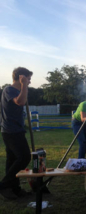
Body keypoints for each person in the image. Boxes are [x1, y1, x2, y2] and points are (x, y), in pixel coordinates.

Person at [0, 67, 33, 199]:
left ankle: (14, 189)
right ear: (21, 77)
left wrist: (24, 87)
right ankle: (3, 185)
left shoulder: (17, 90)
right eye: (28, 79)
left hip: (14, 130)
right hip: (11, 131)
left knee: (12, 160)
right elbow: (20, 102)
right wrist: (24, 85)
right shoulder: (9, 90)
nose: (29, 82)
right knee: (24, 157)